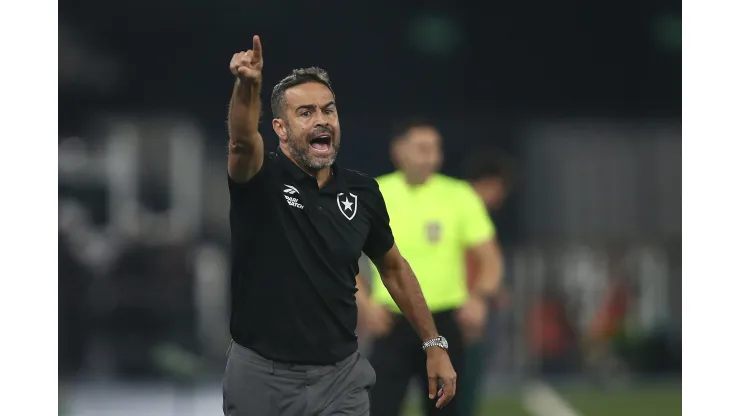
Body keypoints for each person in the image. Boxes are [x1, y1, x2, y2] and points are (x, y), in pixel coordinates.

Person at [223, 35, 457, 416]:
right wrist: (247, 86)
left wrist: (434, 344)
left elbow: (394, 269)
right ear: (280, 129)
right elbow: (241, 142)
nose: (321, 120)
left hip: (340, 377)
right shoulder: (260, 178)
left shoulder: (362, 191)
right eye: (306, 113)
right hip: (262, 376)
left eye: (328, 110)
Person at [356, 120, 501, 416]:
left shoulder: (459, 195)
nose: (432, 157)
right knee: (378, 408)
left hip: (445, 325)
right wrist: (365, 304)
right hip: (392, 324)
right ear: (399, 151)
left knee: (446, 410)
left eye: (436, 149)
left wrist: (480, 299)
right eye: (422, 148)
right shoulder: (374, 193)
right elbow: (341, 259)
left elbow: (491, 259)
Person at [458, 150, 514, 416]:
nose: (500, 199)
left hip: (462, 306)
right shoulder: (465, 209)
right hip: (462, 312)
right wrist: (475, 297)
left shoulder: (462, 207)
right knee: (462, 387)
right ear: (490, 183)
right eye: (500, 189)